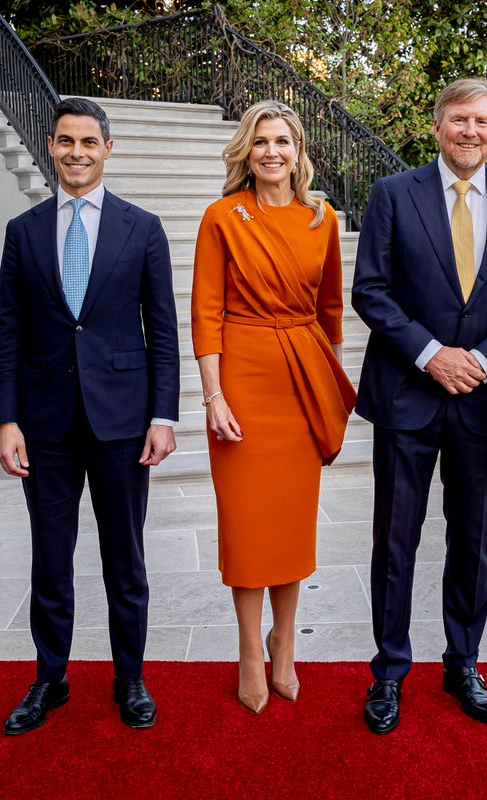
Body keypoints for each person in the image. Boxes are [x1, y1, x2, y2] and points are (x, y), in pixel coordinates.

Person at [352, 78, 487, 735]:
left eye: (482, 121)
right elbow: (371, 291)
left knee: (473, 540)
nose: (470, 131)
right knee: (394, 541)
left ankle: (463, 664)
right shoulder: (392, 195)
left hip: (482, 401)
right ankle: (388, 672)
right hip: (406, 395)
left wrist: (483, 360)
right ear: (437, 126)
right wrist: (431, 354)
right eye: (459, 119)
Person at [0, 97, 180, 734]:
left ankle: (131, 677)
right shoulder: (23, 231)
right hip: (44, 424)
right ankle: (50, 678)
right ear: (51, 146)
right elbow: (9, 331)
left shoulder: (142, 228)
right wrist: (6, 420)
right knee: (51, 558)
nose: (77, 153)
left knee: (124, 558)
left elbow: (163, 330)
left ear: (107, 149)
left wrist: (163, 415)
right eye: (66, 141)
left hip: (122, 422)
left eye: (89, 142)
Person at [191, 100, 355, 714]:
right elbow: (205, 313)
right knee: (246, 522)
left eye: (282, 141)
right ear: (246, 150)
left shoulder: (322, 218)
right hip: (243, 375)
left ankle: (284, 642)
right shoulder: (222, 216)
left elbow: (331, 310)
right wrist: (214, 395)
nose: (271, 152)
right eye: (260, 141)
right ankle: (248, 651)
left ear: (298, 151)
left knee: (290, 521)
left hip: (301, 378)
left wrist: (327, 386)